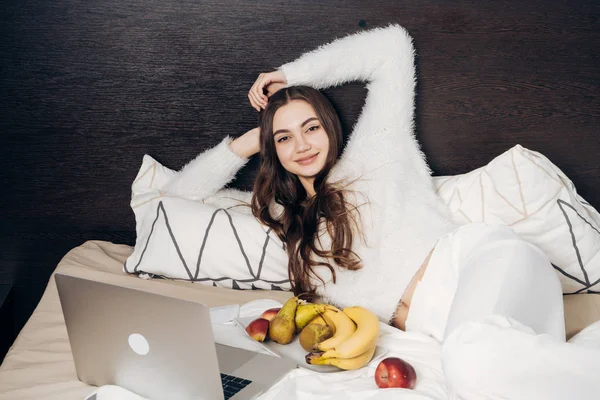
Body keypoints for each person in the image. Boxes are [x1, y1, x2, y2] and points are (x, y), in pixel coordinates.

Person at [164, 25, 599, 399]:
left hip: (485, 265)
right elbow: (176, 200)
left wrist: (289, 76)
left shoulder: (374, 155)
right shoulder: (286, 222)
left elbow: (391, 48)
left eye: (311, 127)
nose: (302, 145)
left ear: (330, 128)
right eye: (284, 138)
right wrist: (249, 141)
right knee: (482, 371)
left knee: (473, 357)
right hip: (452, 333)